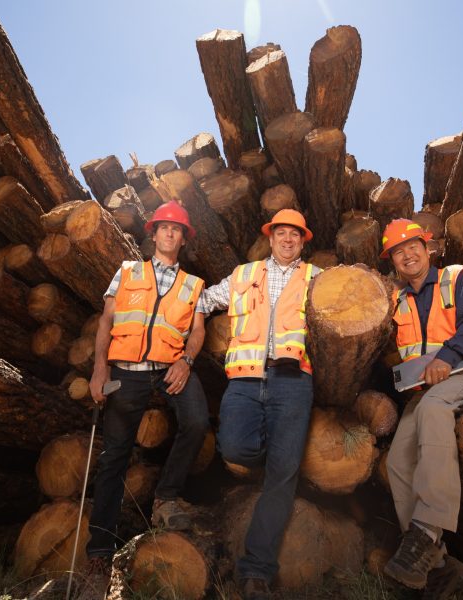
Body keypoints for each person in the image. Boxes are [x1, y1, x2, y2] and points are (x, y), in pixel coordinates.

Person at [84, 201, 210, 577]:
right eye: (164, 228)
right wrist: (99, 369)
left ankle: (165, 497)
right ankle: (99, 550)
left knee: (197, 421)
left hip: (171, 367)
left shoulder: (193, 284)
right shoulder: (126, 272)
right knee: (115, 457)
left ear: (183, 239)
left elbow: (198, 330)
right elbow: (106, 322)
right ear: (153, 234)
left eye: (177, 230)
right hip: (127, 370)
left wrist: (185, 361)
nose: (170, 234)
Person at [200, 209, 321, 600]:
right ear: (270, 239)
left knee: (282, 477)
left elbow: (352, 301)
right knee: (233, 447)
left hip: (293, 381)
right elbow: (202, 302)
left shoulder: (317, 278)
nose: (288, 240)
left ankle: (256, 572)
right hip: (246, 379)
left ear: (303, 241)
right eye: (281, 233)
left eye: (295, 235)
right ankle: (275, 464)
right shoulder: (242, 275)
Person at [381, 219, 463, 599]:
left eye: (413, 245)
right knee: (397, 461)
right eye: (399, 252)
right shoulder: (397, 301)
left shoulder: (456, 278)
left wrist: (446, 358)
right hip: (429, 386)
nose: (407, 254)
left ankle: (426, 532)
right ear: (394, 262)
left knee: (433, 406)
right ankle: (437, 568)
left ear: (427, 247)